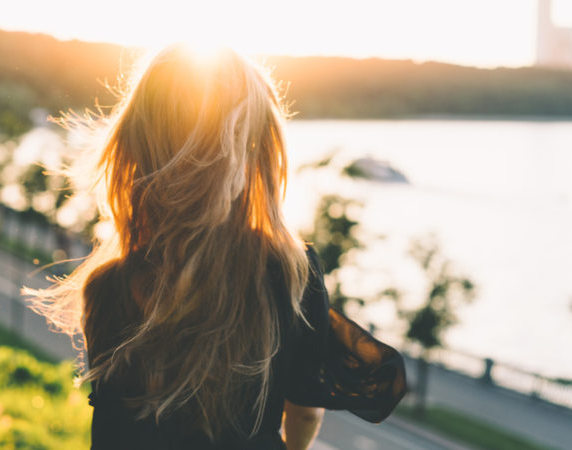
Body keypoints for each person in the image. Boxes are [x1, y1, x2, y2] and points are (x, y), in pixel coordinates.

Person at [26, 43, 406, 450]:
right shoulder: (289, 273)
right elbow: (306, 408)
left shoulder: (106, 287)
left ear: (135, 148)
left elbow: (110, 431)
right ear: (255, 157)